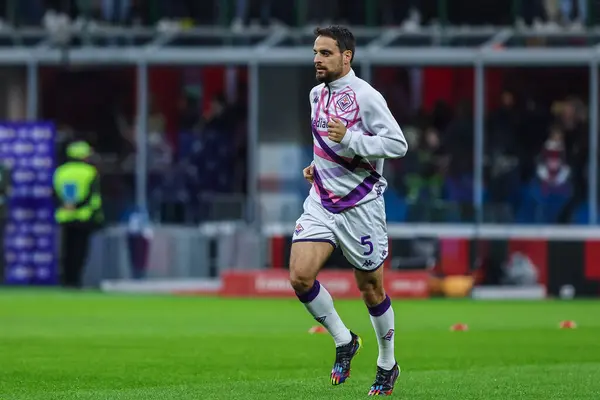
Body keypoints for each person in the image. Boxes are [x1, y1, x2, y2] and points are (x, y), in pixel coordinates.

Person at [289, 25, 408, 396]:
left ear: (346, 56)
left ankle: (388, 363)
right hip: (322, 201)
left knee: (371, 289)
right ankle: (344, 340)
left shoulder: (367, 97)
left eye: (325, 53)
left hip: (362, 207)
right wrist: (317, 165)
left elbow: (397, 144)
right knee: (299, 276)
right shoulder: (314, 95)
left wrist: (352, 139)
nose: (317, 60)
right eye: (315, 52)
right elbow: (324, 140)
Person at [53, 141, 103, 288]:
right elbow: (92, 196)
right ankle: (75, 280)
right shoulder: (90, 172)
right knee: (79, 251)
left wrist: (67, 205)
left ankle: (66, 279)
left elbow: (55, 193)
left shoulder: (60, 171)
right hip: (84, 216)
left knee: (66, 250)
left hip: (65, 216)